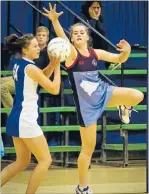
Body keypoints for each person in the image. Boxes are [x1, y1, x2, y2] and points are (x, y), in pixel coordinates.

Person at [42, 4, 144, 194]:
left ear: (88, 37)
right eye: (76, 33)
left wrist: (127, 50)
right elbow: (61, 37)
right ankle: (82, 187)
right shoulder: (72, 54)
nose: (79, 35)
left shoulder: (96, 53)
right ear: (72, 38)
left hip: (103, 92)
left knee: (138, 95)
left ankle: (123, 105)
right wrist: (55, 21)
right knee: (87, 150)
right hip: (86, 107)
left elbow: (120, 59)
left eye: (82, 32)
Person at [1, 33, 61, 194]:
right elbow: (54, 89)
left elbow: (39, 78)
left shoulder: (18, 63)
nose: (38, 48)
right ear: (25, 50)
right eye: (34, 46)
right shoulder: (31, 68)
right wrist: (57, 67)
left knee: (21, 162)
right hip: (25, 120)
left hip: (16, 117)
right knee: (45, 160)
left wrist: (51, 66)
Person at [1, 26, 50, 112]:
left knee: (2, 88)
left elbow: (47, 73)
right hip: (21, 76)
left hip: (30, 80)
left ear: (47, 38)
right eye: (39, 35)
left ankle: (16, 113)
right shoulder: (30, 49)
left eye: (44, 35)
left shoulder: (48, 53)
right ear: (35, 37)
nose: (41, 37)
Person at [74, 1, 120, 70]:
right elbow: (85, 34)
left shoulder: (99, 17)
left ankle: (110, 63)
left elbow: (103, 32)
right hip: (83, 44)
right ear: (88, 8)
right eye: (94, 7)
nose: (96, 10)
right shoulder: (80, 17)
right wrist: (93, 20)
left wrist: (97, 20)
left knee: (103, 39)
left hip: (93, 43)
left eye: (98, 8)